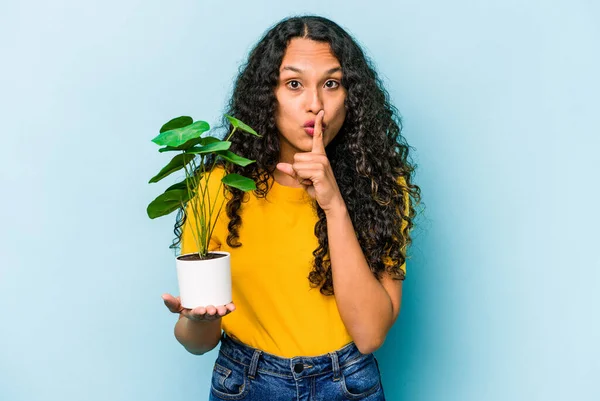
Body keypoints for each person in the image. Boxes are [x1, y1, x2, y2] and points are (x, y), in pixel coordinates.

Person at [161, 15, 421, 401]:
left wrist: (334, 205)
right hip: (246, 382)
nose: (314, 105)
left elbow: (369, 334)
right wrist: (195, 319)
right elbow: (198, 342)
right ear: (268, 95)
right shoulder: (219, 187)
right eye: (294, 84)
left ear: (351, 96)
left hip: (348, 385)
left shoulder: (381, 188)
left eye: (331, 84)